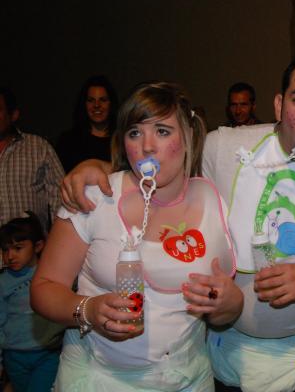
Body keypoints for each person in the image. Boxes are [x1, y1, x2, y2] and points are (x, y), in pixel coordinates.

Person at [58, 49, 295, 392]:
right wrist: (99, 167)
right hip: (219, 354)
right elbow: (163, 167)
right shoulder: (222, 146)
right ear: (278, 105)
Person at [31, 82, 242, 390]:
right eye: (134, 133)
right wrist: (88, 309)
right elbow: (43, 288)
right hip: (97, 377)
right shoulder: (94, 197)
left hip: (186, 379)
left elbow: (221, 310)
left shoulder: (213, 202)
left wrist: (230, 304)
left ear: (189, 136)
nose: (147, 146)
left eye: (162, 131)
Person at [1, 212, 64, 392]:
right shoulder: (3, 282)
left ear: (38, 246)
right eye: (5, 250)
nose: (10, 256)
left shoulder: (50, 273)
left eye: (18, 248)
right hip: (14, 355)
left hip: (46, 353)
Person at [0, 88, 64, 232]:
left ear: (13, 115)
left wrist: (57, 239)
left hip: (29, 243)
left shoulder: (38, 147)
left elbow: (60, 198)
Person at [56, 75, 119, 172]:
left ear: (111, 104)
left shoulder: (122, 140)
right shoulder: (68, 141)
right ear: (84, 105)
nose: (97, 105)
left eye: (103, 100)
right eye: (91, 100)